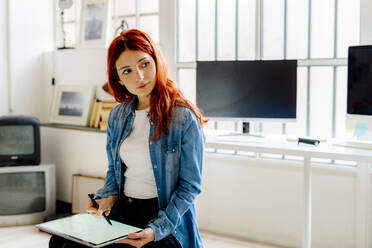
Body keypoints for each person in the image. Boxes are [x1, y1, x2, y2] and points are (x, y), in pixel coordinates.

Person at [49, 29, 207, 248]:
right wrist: (106, 197)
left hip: (164, 218)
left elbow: (189, 186)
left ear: (156, 61)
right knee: (60, 242)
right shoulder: (118, 115)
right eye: (127, 71)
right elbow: (114, 171)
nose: (139, 77)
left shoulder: (183, 117)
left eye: (144, 64)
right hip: (124, 211)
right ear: (119, 79)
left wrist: (156, 229)